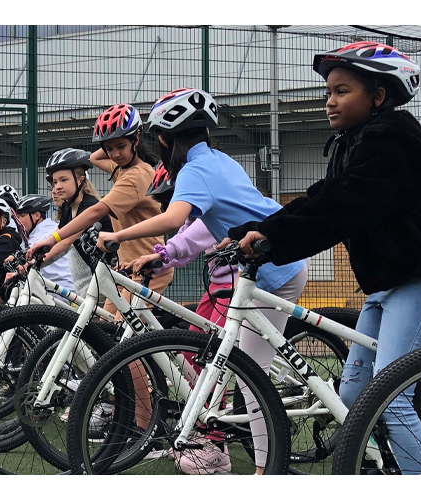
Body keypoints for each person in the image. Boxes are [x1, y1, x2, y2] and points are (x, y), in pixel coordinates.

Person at [226, 42, 421, 474]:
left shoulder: (392, 145)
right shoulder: (355, 143)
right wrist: (256, 231)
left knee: (389, 400)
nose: (329, 101)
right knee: (356, 394)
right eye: (328, 92)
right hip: (388, 284)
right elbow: (321, 197)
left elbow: (342, 207)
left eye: (342, 90)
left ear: (377, 96)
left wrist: (274, 240)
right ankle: (381, 469)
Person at [96, 88, 308, 474]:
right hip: (277, 259)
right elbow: (202, 230)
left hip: (271, 269)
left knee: (250, 377)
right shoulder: (219, 160)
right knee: (241, 368)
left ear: (162, 139)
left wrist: (118, 236)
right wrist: (161, 254)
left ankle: (265, 470)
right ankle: (245, 456)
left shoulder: (194, 170)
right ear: (207, 133)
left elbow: (176, 220)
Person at [126, 163, 236, 473]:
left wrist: (158, 258)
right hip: (217, 284)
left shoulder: (207, 212)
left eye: (168, 199)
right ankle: (205, 425)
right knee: (192, 352)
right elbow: (184, 247)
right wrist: (151, 263)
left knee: (215, 360)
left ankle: (216, 441)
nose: (166, 207)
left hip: (237, 284)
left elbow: (188, 242)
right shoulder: (193, 216)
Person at [30, 105, 174, 314]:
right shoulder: (122, 169)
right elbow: (94, 158)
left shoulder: (137, 176)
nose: (114, 154)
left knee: (124, 339)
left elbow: (97, 211)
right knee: (105, 330)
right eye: (109, 148)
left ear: (137, 138)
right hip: (126, 269)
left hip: (150, 268)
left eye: (120, 146)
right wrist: (111, 138)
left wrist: (53, 238)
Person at [27, 148, 112, 295]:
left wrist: (36, 262)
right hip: (97, 278)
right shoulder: (67, 207)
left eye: (63, 180)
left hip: (111, 276)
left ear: (81, 180)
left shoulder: (89, 206)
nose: (57, 186)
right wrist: (29, 253)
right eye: (54, 182)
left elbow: (65, 241)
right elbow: (56, 233)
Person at [14, 194, 76, 295]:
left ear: (37, 216)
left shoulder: (46, 230)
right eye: (17, 216)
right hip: (47, 287)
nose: (19, 220)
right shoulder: (33, 233)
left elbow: (34, 255)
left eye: (23, 216)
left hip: (60, 289)